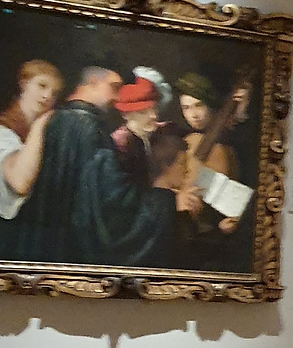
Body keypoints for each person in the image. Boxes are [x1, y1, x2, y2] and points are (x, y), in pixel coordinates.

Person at [11, 65, 201, 266]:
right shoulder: (90, 129)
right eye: (114, 87)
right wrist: (170, 202)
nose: (117, 96)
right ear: (93, 83)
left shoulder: (58, 119)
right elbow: (111, 204)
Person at [0, 60, 63, 258]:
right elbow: (19, 182)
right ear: (24, 84)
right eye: (42, 85)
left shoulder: (43, 135)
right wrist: (41, 124)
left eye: (54, 93)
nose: (47, 96)